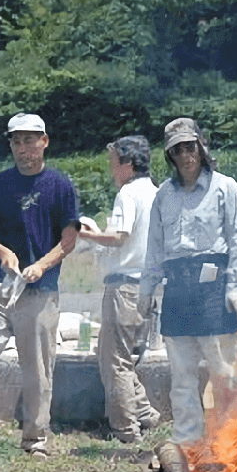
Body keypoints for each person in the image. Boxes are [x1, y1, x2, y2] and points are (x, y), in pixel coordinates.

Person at [0, 113, 80, 459]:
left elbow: (69, 238)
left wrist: (42, 265)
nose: (23, 148)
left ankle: (35, 438)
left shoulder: (60, 184)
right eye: (17, 141)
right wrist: (3, 253)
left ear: (44, 141)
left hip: (40, 287)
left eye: (30, 140)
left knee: (38, 365)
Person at [137, 117, 237, 446]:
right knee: (182, 376)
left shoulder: (225, 187)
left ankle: (231, 440)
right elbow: (154, 247)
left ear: (201, 149)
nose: (186, 156)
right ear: (170, 156)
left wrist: (236, 287)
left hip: (215, 287)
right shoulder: (164, 195)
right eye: (178, 151)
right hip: (177, 290)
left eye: (190, 148)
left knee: (224, 372)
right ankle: (187, 441)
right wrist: (146, 291)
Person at [77, 135, 162, 443]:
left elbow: (119, 237)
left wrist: (87, 235)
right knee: (118, 355)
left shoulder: (127, 194)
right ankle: (145, 413)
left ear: (127, 163)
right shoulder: (158, 193)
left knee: (116, 362)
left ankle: (126, 429)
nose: (112, 170)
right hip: (148, 287)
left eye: (114, 162)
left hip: (124, 286)